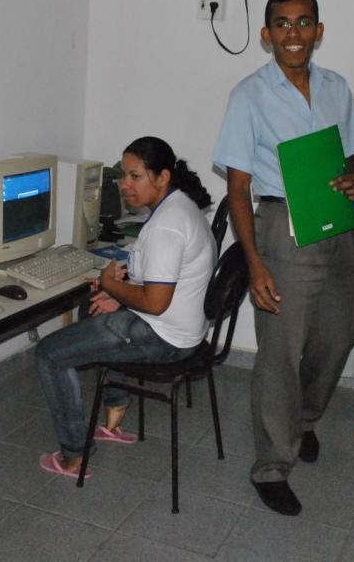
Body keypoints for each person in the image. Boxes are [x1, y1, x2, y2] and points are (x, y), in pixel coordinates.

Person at [212, 0, 354, 516]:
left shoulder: (337, 88)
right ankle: (272, 465)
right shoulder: (248, 95)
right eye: (282, 24)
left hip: (338, 226)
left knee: (340, 336)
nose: (292, 34)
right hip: (282, 227)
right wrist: (254, 263)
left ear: (318, 31)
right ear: (266, 34)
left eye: (303, 23)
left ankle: (304, 419)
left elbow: (350, 161)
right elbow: (237, 189)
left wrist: (353, 179)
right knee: (281, 352)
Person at [35, 136, 216, 479]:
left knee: (49, 354)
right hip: (182, 329)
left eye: (135, 176)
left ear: (162, 177)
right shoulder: (179, 206)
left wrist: (110, 284)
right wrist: (120, 295)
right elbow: (163, 284)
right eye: (123, 175)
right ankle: (113, 420)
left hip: (165, 338)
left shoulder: (166, 227)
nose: (124, 185)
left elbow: (155, 303)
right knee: (96, 312)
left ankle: (74, 456)